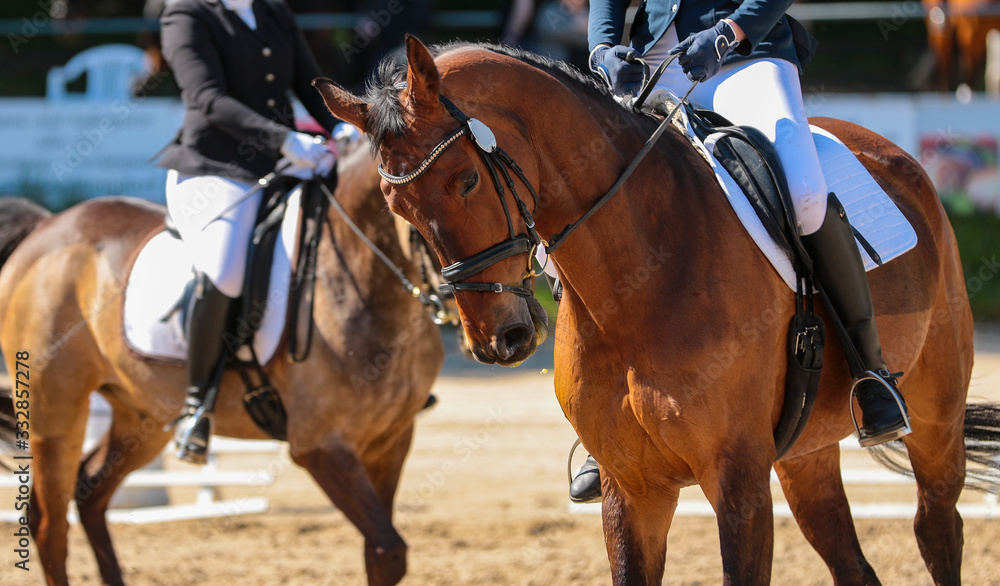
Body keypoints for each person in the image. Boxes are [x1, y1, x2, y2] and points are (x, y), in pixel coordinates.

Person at [570, 0, 910, 502]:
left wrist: (730, 31)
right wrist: (602, 47)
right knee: (587, 197)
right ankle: (603, 414)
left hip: (748, 55)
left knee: (807, 196)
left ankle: (870, 371)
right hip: (650, 61)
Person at [156, 0, 340, 464]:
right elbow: (207, 99)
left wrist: (347, 126)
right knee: (227, 267)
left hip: (282, 162)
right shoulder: (187, 15)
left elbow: (311, 85)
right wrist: (286, 139)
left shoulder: (274, 12)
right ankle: (196, 406)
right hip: (214, 168)